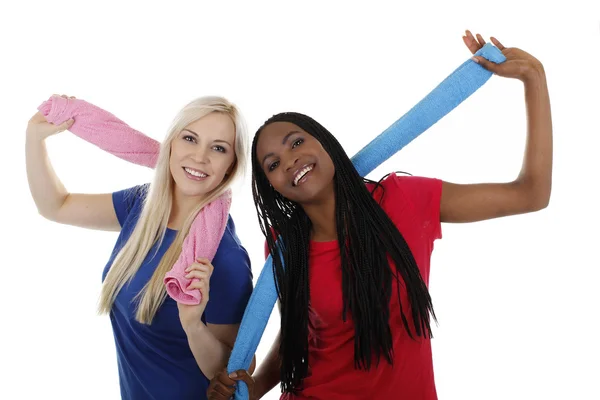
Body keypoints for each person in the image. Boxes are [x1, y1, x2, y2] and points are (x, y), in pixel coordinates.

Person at [206, 31, 552, 399]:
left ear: (324, 141)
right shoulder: (283, 246)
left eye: (297, 141)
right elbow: (299, 337)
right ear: (272, 186)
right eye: (272, 164)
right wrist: (251, 389)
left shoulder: (404, 200)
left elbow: (530, 194)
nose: (289, 159)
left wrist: (535, 79)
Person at [25, 95, 255, 399]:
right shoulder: (144, 205)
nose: (200, 157)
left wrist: (193, 326)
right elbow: (57, 206)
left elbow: (234, 372)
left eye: (218, 148)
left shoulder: (222, 257)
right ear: (171, 143)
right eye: (190, 138)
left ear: (231, 165)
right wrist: (33, 137)